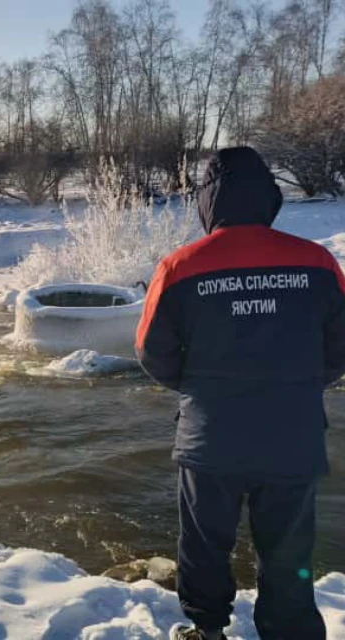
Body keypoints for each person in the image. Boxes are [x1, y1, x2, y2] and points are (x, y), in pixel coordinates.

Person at [136, 146, 345, 640]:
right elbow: (341, 347)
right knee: (289, 551)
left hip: (210, 439)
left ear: (207, 201)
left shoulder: (179, 266)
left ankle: (207, 630)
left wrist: (199, 387)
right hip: (292, 438)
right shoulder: (316, 261)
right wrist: (298, 384)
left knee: (205, 546)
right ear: (268, 197)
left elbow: (149, 350)